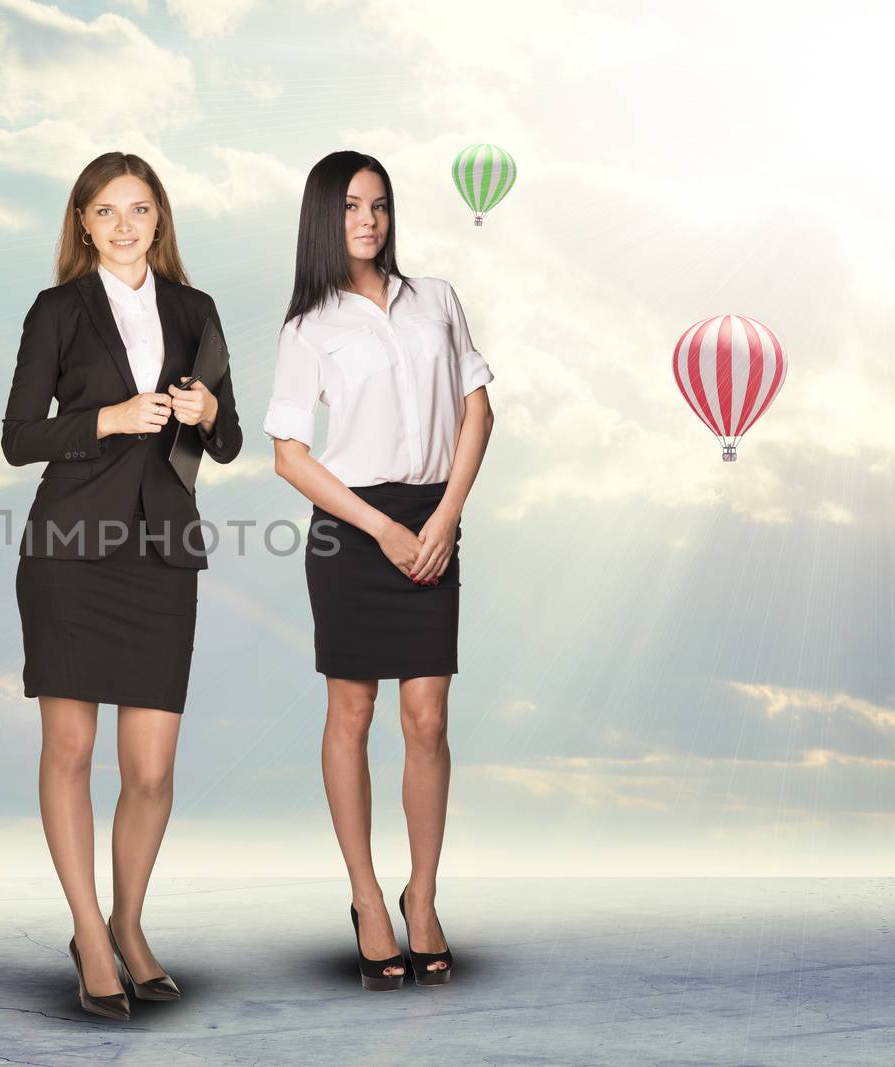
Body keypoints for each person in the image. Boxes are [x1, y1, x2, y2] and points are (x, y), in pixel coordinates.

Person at [1, 151, 241, 1020]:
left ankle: (126, 921)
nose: (126, 224)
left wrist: (208, 413)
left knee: (150, 770)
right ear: (83, 223)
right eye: (108, 211)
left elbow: (231, 439)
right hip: (70, 550)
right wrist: (107, 417)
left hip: (162, 557)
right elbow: (18, 436)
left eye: (140, 209)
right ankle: (90, 938)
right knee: (69, 752)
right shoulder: (57, 310)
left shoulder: (196, 309)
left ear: (160, 219)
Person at [264, 150, 495, 991]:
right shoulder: (308, 327)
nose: (367, 220)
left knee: (427, 717)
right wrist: (380, 529)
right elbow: (289, 454)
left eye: (379, 205)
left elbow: (478, 409)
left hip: (434, 517)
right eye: (351, 206)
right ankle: (367, 897)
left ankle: (423, 897)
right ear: (323, 217)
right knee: (352, 711)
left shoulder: (435, 299)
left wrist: (442, 518)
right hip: (351, 528)